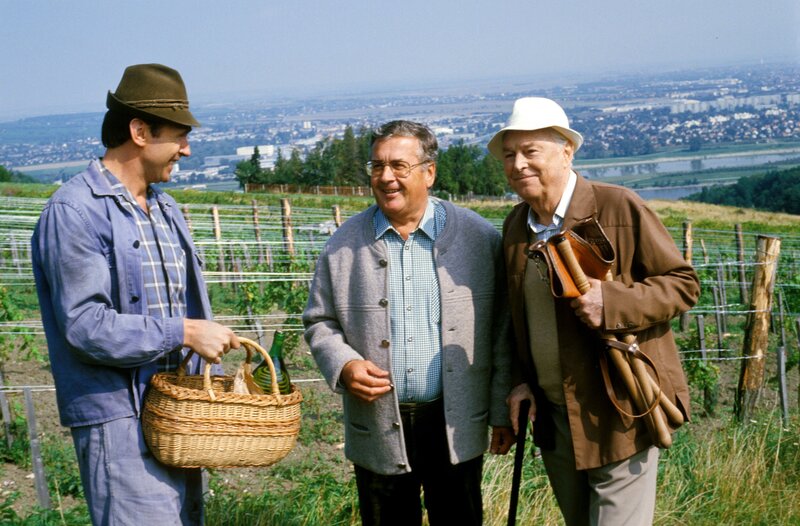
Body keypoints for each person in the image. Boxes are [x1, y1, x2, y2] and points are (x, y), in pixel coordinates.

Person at [31, 63, 239, 526]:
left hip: (178, 419)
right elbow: (85, 327)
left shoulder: (165, 210)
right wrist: (184, 331)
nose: (186, 149)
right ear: (140, 131)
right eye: (179, 136)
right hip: (120, 426)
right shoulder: (75, 211)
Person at [488, 97, 700, 526]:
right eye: (510, 155)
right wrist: (521, 382)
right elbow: (516, 320)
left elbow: (683, 284)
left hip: (620, 408)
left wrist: (614, 301)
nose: (518, 164)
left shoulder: (617, 207)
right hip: (555, 417)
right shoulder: (515, 227)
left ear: (567, 150)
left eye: (531, 151)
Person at [303, 120, 514, 526]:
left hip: (455, 419)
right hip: (379, 422)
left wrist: (501, 407)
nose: (385, 177)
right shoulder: (343, 243)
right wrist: (345, 365)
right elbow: (319, 320)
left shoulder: (479, 237)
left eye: (399, 166)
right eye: (377, 166)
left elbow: (503, 327)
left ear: (429, 172)